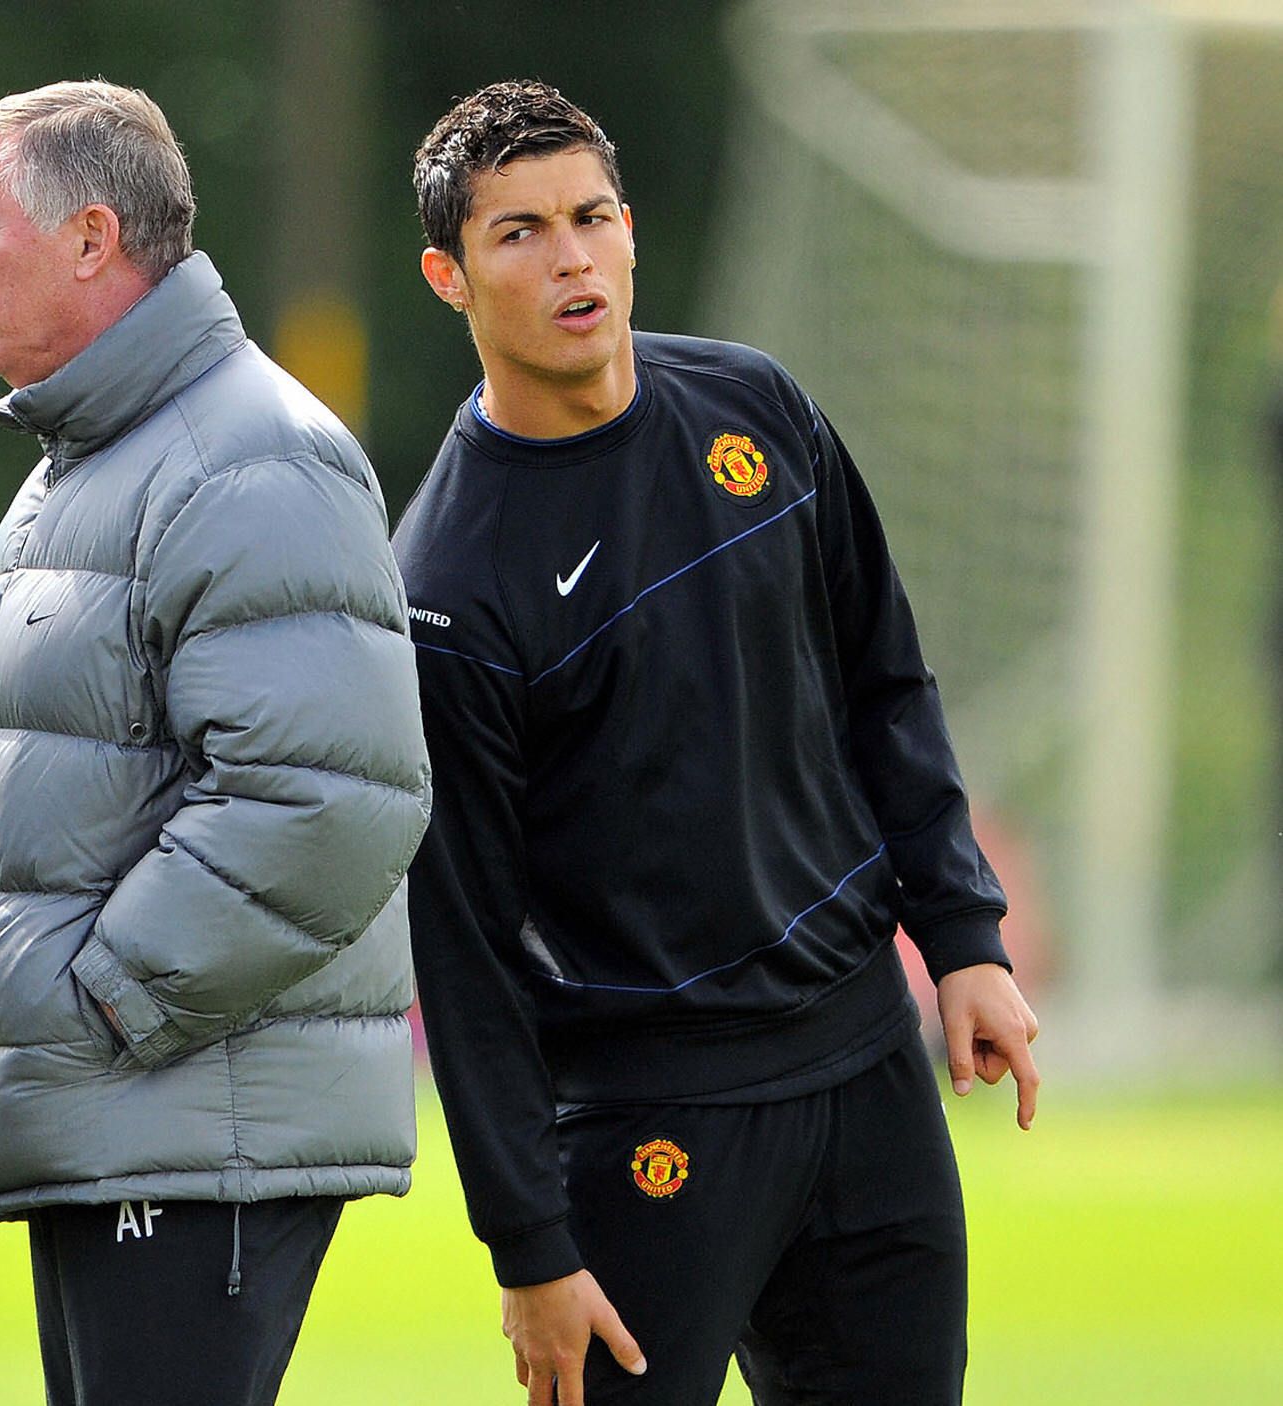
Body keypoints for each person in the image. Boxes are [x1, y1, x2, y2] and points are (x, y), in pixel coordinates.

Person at [392, 81, 1041, 1406]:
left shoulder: (757, 408)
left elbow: (885, 683)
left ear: (629, 230)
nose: (569, 256)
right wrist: (529, 1244)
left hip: (869, 1064)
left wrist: (964, 935)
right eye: (517, 233)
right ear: (447, 277)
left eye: (588, 217)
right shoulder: (450, 582)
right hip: (652, 1123)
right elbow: (462, 948)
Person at [0, 80, 431, 1405]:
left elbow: (327, 803)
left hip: (192, 1122)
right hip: (137, 1117)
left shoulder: (249, 455)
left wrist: (109, 998)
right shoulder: (96, 458)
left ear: (94, 237)